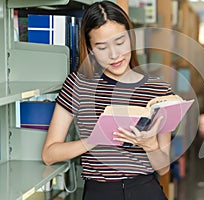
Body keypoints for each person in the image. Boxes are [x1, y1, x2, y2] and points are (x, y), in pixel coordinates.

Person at [42, 1, 172, 199]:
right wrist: (94, 140)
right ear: (90, 49)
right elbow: (49, 155)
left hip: (146, 190)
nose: (114, 55)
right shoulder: (78, 85)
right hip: (100, 192)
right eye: (102, 47)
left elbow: (163, 169)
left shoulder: (158, 89)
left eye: (120, 42)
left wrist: (150, 145)